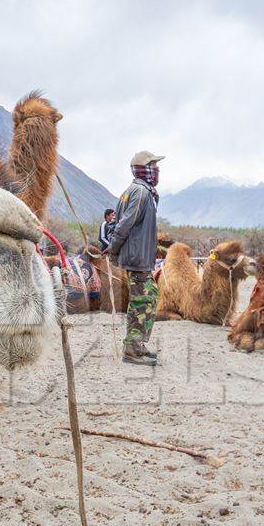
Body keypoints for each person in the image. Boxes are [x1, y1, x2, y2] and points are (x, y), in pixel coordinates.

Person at [107, 150, 163, 365]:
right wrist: (114, 248)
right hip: (137, 258)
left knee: (149, 298)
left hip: (140, 258)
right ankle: (131, 350)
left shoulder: (135, 191)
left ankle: (137, 345)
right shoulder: (140, 192)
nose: (157, 170)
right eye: (154, 165)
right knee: (141, 302)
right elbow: (125, 223)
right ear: (144, 168)